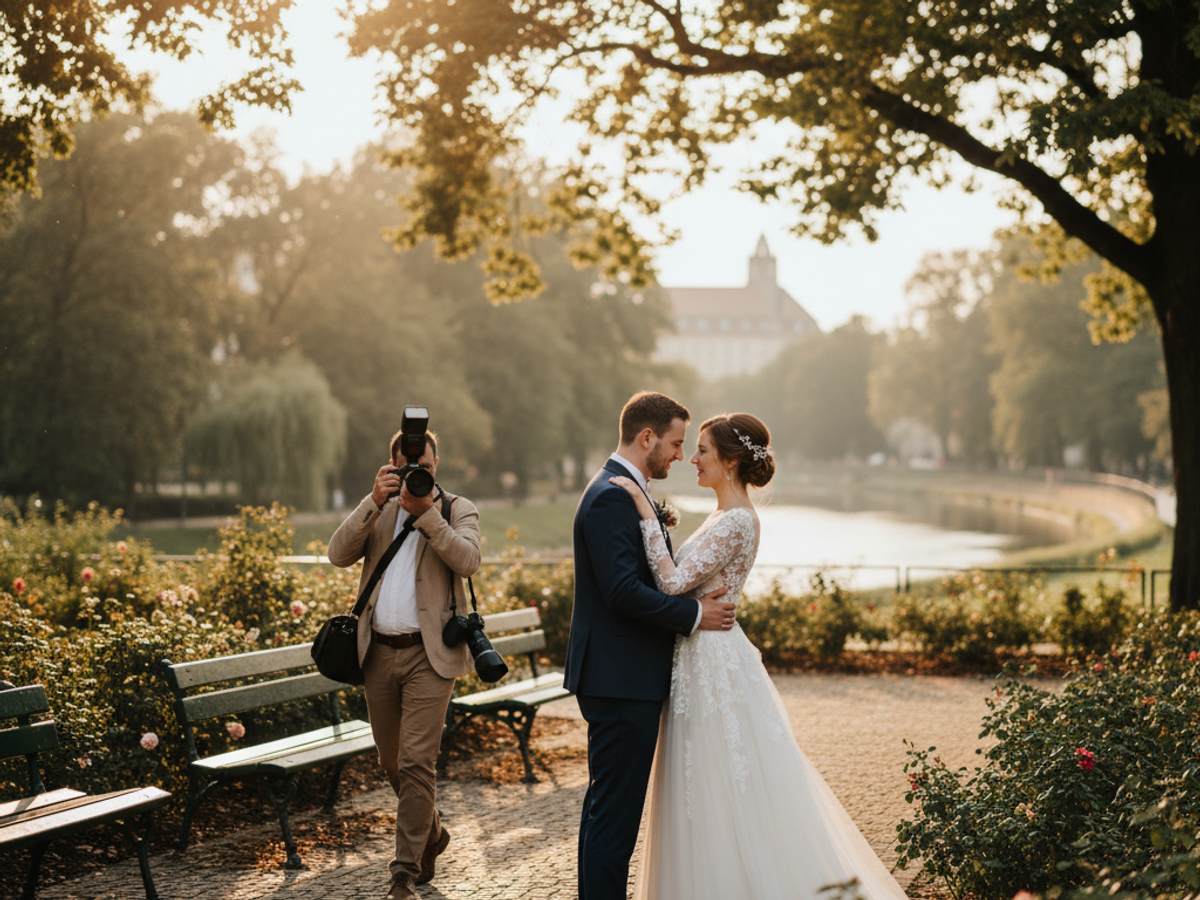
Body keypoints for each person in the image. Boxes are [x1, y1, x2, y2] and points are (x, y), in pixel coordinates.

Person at [608, 412, 909, 900]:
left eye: (702, 450)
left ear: (729, 462)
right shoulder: (721, 517)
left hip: (713, 662)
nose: (692, 459)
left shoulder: (739, 521)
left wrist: (645, 515)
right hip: (698, 653)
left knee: (721, 778)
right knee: (698, 781)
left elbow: (670, 583)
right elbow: (682, 581)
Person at [565, 391, 738, 900]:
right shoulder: (611, 497)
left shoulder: (621, 491)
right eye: (676, 443)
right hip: (619, 680)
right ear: (647, 438)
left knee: (606, 813)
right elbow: (621, 592)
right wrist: (695, 615)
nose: (680, 456)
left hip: (621, 676)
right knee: (614, 823)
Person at [327, 427, 480, 900]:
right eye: (407, 468)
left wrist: (428, 515)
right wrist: (372, 501)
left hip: (429, 657)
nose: (418, 474)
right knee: (392, 763)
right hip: (377, 653)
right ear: (392, 468)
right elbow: (337, 554)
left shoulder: (457, 509)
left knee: (417, 762)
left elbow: (468, 559)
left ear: (436, 465)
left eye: (426, 467)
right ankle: (431, 831)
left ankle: (403, 873)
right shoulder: (380, 507)